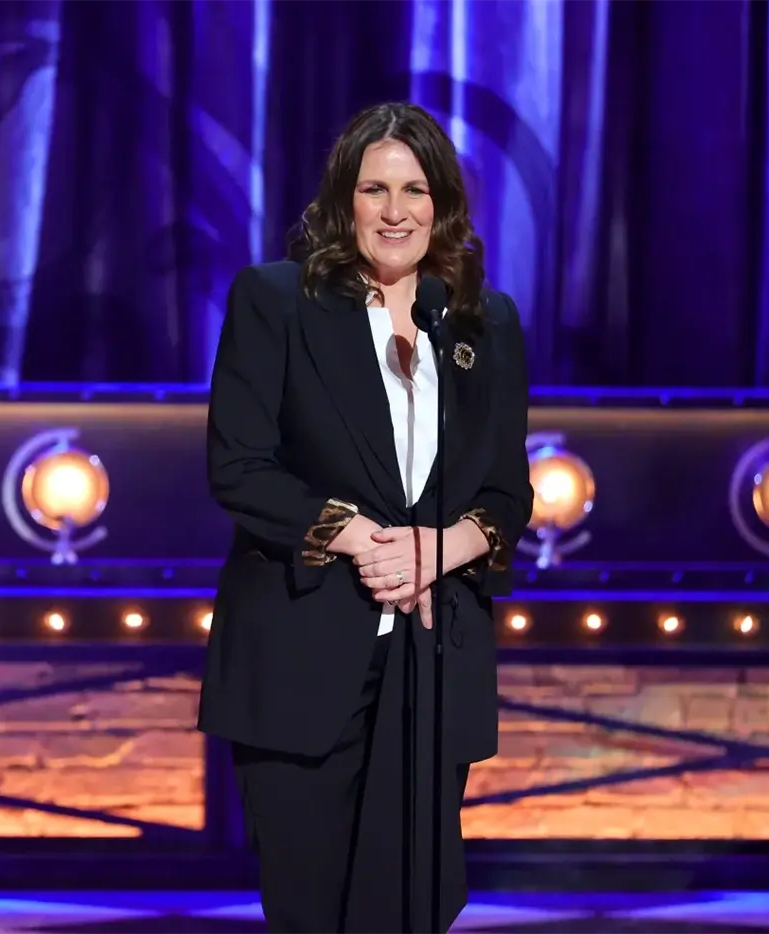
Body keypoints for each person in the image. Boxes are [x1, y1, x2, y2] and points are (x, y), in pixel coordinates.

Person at [197, 101, 533, 934]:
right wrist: (361, 540)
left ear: (441, 202)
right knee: (313, 909)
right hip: (303, 656)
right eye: (374, 189)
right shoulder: (277, 301)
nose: (395, 211)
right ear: (343, 199)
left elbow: (505, 493)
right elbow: (239, 467)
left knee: (413, 907)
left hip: (431, 662)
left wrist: (435, 551)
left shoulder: (482, 323)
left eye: (414, 190)